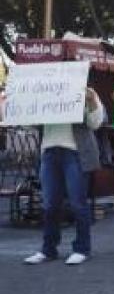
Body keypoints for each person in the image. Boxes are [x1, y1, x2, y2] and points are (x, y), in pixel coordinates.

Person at [25, 85, 104, 266]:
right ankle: (48, 249)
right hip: (50, 151)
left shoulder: (86, 91)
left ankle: (82, 248)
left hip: (75, 152)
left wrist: (91, 101)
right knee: (50, 203)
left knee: (78, 202)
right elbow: (30, 122)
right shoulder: (43, 91)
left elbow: (96, 123)